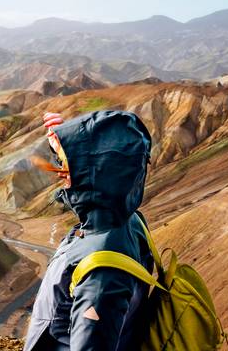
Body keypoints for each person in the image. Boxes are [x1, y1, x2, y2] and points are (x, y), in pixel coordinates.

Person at [24, 110, 153, 351]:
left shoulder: (102, 272)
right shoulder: (125, 220)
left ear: (95, 173)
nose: (61, 173)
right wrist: (68, 142)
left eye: (68, 165)